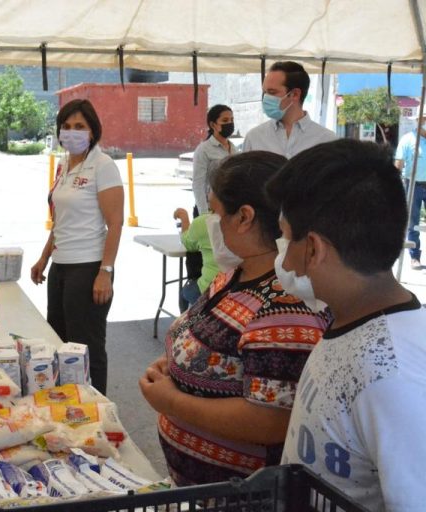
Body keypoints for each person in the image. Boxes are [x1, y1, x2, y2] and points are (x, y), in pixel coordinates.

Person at [139, 151, 328, 486]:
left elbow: (271, 420)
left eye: (215, 213)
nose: (212, 223)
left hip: (243, 498)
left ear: (244, 217)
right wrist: (172, 363)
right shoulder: (233, 275)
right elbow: (200, 337)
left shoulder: (286, 305)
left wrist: (172, 401)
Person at [269, 139, 426, 511]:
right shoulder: (351, 320)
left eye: (287, 238)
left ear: (314, 249)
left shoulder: (388, 376)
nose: (286, 264)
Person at [31, 99, 124, 394]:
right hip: (61, 266)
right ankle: (70, 405)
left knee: (87, 348)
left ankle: (99, 412)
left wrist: (105, 272)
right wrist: (44, 259)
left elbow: (116, 222)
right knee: (59, 341)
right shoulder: (63, 164)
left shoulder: (103, 165)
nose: (72, 132)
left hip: (89, 268)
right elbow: (60, 221)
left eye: (79, 127)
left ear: (92, 131)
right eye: (67, 126)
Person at [243, 61, 336, 158]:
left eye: (272, 92)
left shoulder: (327, 140)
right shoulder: (254, 138)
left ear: (295, 94)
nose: (265, 98)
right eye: (264, 92)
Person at [192, 104, 238, 215]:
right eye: (225, 120)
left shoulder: (234, 149)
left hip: (229, 209)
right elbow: (198, 184)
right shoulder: (204, 149)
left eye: (232, 120)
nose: (230, 123)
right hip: (210, 209)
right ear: (213, 124)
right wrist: (204, 214)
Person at [394, 114, 426, 269]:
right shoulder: (408, 140)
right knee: (413, 222)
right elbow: (398, 164)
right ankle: (415, 256)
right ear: (418, 120)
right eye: (424, 119)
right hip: (413, 185)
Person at [172, 208, 219, 311]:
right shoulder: (254, 223)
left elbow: (188, 243)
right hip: (241, 289)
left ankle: (185, 324)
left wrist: (184, 218)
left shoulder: (204, 221)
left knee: (185, 293)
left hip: (210, 289)